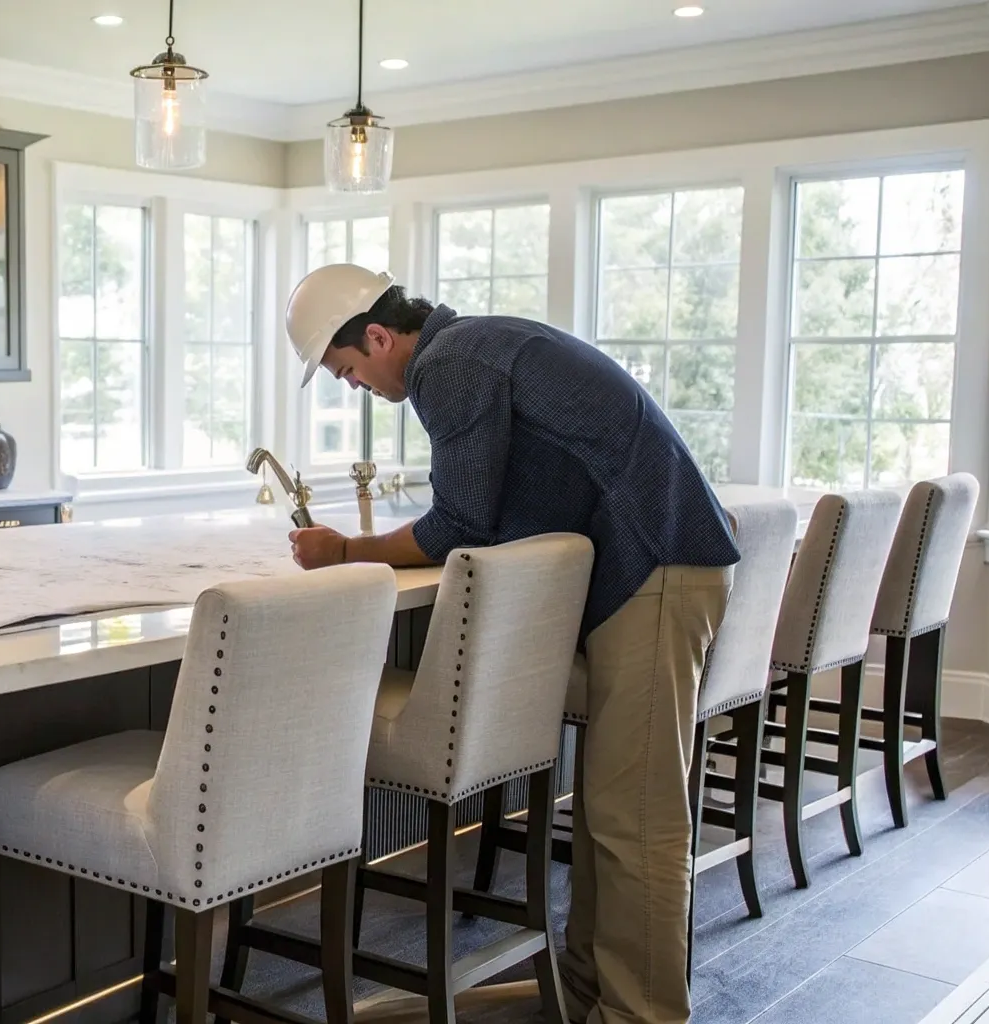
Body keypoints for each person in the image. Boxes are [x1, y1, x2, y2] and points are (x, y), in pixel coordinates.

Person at [282, 263, 740, 1024]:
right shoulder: (476, 345)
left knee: (638, 819)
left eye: (348, 369)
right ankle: (591, 996)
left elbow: (457, 523)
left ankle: (645, 1016)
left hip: (657, 569)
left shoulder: (448, 366)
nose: (352, 386)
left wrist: (345, 550)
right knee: (610, 815)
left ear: (378, 335)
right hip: (652, 567)